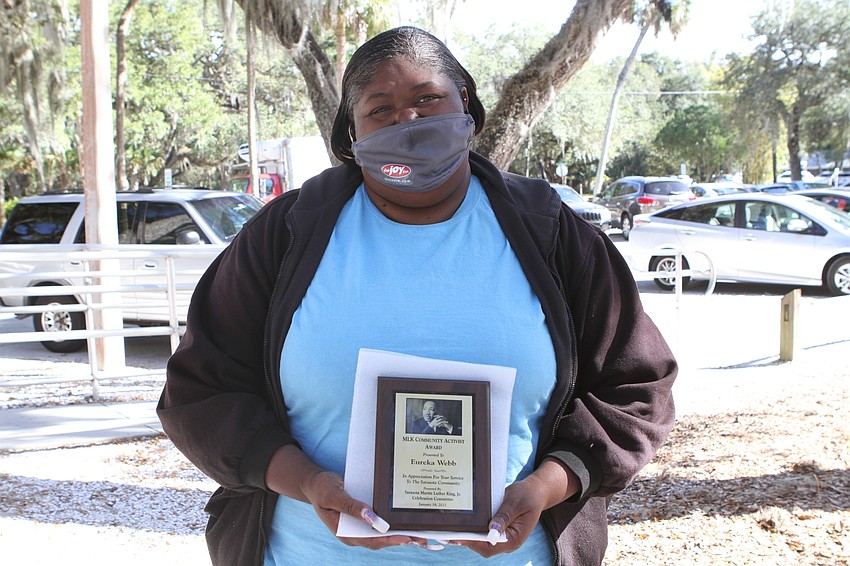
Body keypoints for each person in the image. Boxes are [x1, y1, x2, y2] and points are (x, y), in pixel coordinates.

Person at [158, 26, 676, 566]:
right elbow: (202, 391)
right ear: (351, 135)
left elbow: (635, 387)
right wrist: (307, 481)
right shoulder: (287, 234)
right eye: (380, 109)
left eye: (429, 99)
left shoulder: (549, 231)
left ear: (468, 111)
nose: (408, 121)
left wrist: (547, 486)